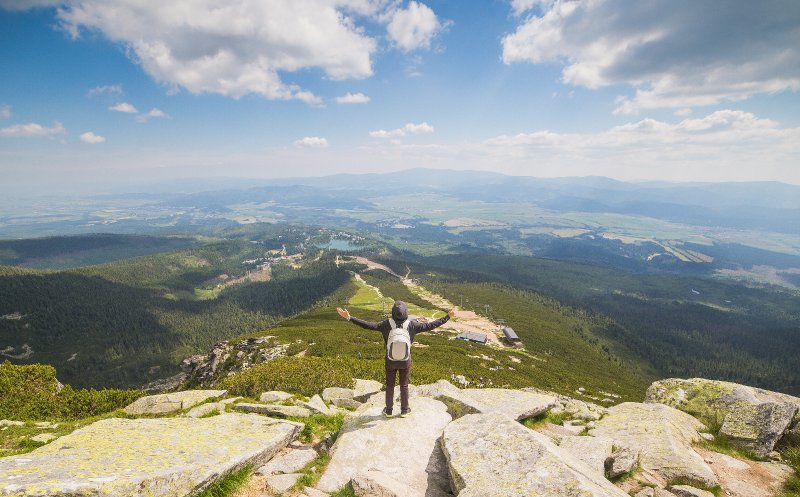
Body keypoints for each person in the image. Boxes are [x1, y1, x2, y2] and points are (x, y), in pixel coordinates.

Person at [337, 301, 456, 417]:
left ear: (393, 312)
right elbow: (431, 325)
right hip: (405, 360)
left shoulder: (385, 324)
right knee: (404, 385)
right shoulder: (412, 325)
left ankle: (388, 410)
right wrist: (447, 316)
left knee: (390, 385)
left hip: (390, 360)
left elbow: (367, 325)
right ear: (406, 312)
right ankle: (404, 410)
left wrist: (349, 317)